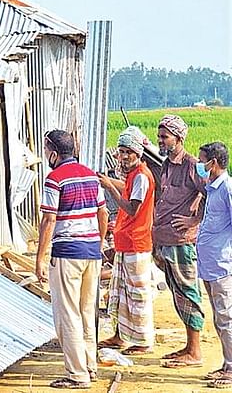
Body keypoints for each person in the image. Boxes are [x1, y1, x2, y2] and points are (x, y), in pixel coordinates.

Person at [35, 129, 108, 389]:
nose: (45, 155)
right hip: (91, 252)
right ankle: (90, 366)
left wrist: (40, 258)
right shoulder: (90, 175)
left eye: (46, 150)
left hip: (67, 253)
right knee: (87, 312)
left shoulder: (54, 179)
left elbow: (49, 220)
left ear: (53, 152)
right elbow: (103, 212)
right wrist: (98, 242)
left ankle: (77, 375)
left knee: (68, 315)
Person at [97, 126, 156, 356]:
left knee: (138, 295)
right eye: (120, 152)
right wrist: (111, 181)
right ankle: (120, 336)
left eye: (126, 152)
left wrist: (110, 187)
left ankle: (144, 340)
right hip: (126, 242)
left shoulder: (141, 175)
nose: (122, 157)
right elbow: (129, 189)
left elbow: (132, 208)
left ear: (137, 153)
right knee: (122, 292)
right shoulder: (134, 175)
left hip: (137, 243)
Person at [154, 115, 206, 369]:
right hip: (165, 239)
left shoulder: (192, 165)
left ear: (179, 138)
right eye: (159, 136)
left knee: (188, 293)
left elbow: (212, 193)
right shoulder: (166, 165)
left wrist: (194, 221)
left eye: (164, 136)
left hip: (182, 242)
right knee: (177, 295)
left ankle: (195, 351)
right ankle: (188, 346)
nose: (160, 141)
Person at [195, 142, 232, 388]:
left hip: (222, 264)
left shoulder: (227, 188)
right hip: (210, 264)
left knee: (227, 316)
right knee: (220, 317)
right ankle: (227, 363)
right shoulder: (212, 188)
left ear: (214, 163)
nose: (199, 165)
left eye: (202, 161)